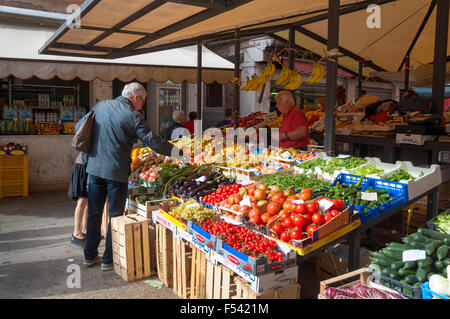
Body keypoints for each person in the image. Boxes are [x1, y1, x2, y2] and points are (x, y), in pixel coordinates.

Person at [75, 82, 170, 271]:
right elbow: (152, 140)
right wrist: (177, 151)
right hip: (116, 172)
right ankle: (108, 260)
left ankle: (90, 256)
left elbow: (80, 124)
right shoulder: (132, 115)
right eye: (142, 102)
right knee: (115, 215)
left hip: (94, 169)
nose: (141, 106)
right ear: (135, 98)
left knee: (94, 213)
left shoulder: (100, 106)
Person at [67, 152, 88, 248]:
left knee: (87, 201)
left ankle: (85, 230)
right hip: (83, 166)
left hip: (87, 165)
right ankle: (76, 233)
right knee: (82, 201)